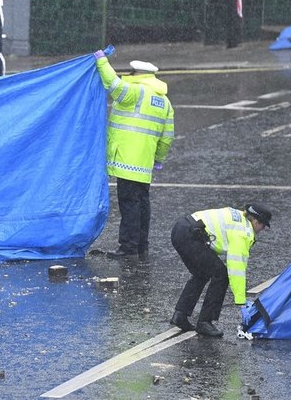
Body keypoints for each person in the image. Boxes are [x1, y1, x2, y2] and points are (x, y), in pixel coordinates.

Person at [93, 51, 174, 260]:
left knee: (129, 204)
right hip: (144, 162)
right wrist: (159, 159)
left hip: (127, 160)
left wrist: (102, 61)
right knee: (142, 204)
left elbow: (113, 85)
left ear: (136, 73)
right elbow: (167, 137)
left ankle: (127, 247)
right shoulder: (164, 101)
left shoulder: (136, 92)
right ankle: (141, 245)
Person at [169, 203, 272, 337]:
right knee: (221, 274)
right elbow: (236, 268)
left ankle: (180, 315)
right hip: (190, 236)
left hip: (181, 229)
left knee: (201, 273)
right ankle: (205, 322)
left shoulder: (239, 217)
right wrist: (241, 301)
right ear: (256, 221)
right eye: (263, 225)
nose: (262, 229)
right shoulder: (243, 232)